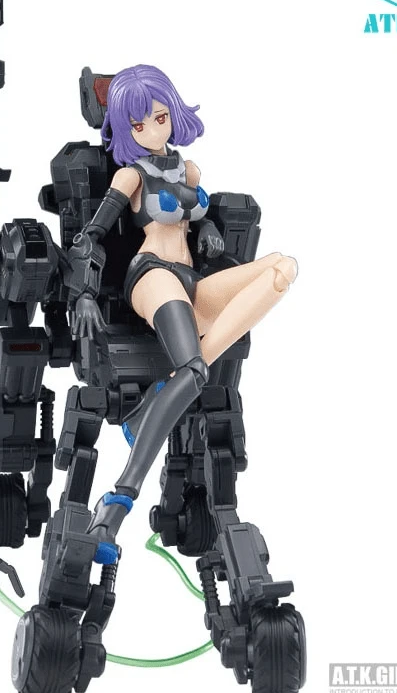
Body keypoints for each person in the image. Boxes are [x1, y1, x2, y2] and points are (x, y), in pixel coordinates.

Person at [67, 64, 298, 564]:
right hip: (151, 275)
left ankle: (160, 397)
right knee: (194, 370)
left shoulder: (188, 170)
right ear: (124, 128)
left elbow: (199, 217)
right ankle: (118, 501)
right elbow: (91, 237)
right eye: (138, 123)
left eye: (160, 117)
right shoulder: (131, 175)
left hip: (191, 280)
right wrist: (84, 291)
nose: (152, 129)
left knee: (282, 268)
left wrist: (209, 229)